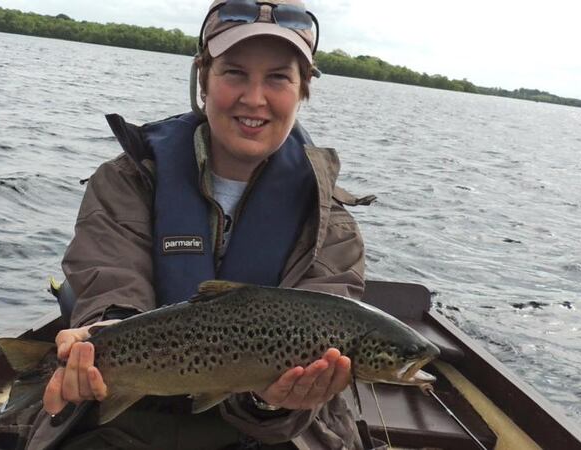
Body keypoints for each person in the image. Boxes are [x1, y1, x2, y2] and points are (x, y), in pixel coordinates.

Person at [26, 0, 374, 448]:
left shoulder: (332, 226)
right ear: (202, 79)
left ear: (303, 90)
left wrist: (272, 401)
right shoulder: (129, 179)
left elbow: (320, 339)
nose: (254, 98)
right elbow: (110, 282)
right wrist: (107, 332)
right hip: (126, 414)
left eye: (278, 77)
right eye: (233, 72)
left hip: (267, 431)